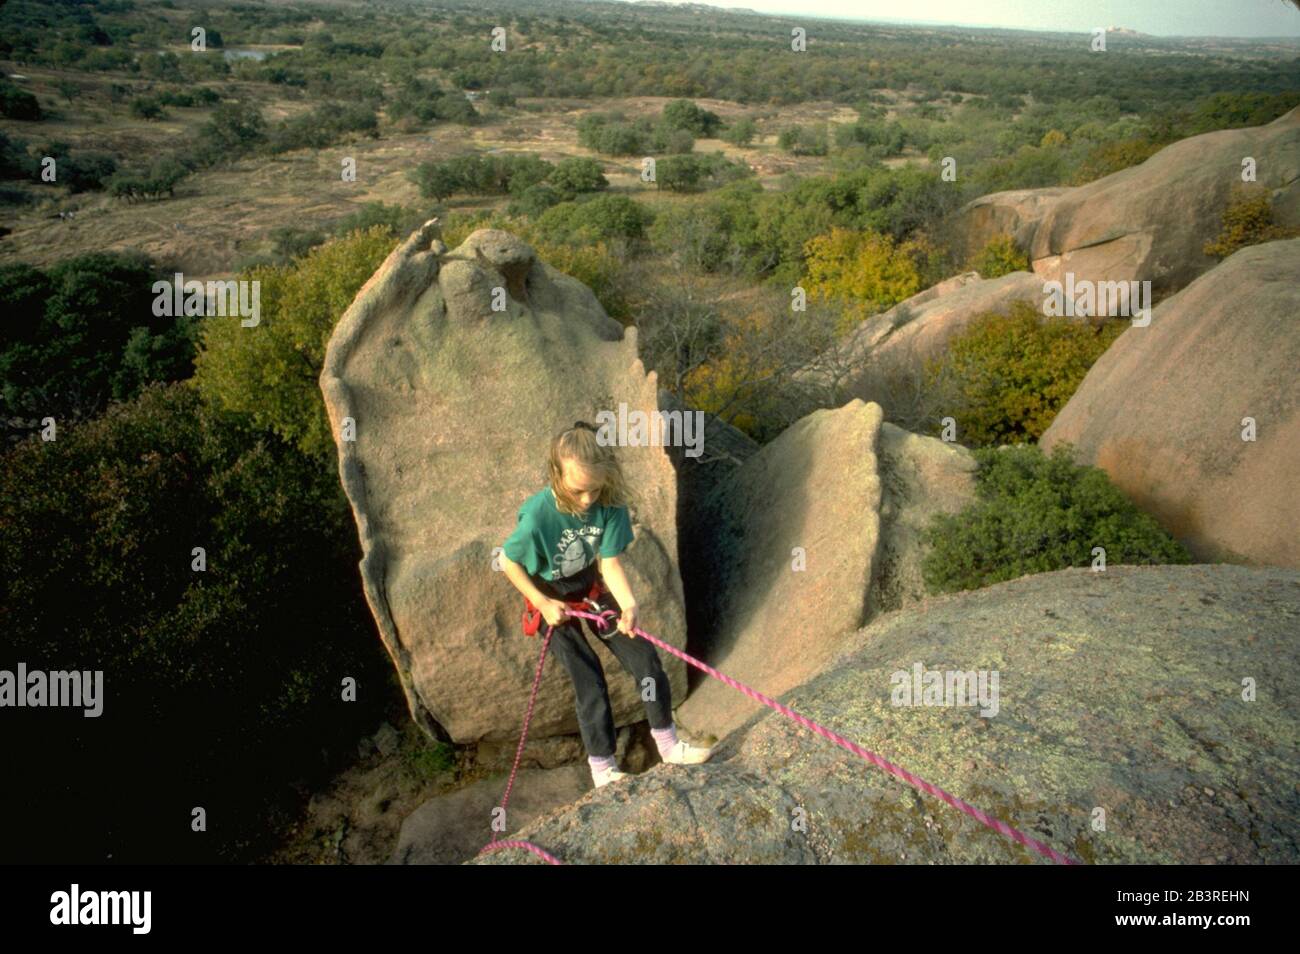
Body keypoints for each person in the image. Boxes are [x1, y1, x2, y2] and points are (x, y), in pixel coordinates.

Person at [499, 421, 713, 787]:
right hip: (549, 593)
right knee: (590, 680)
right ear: (556, 474)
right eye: (579, 490)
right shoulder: (538, 515)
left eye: (595, 489)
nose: (587, 500)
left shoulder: (610, 505)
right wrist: (542, 602)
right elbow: (508, 560)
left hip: (590, 587)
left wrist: (629, 606)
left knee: (645, 660)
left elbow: (609, 562)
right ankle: (603, 769)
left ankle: (668, 744)